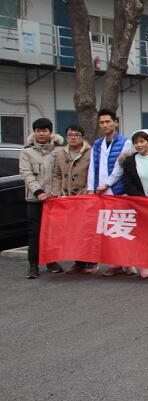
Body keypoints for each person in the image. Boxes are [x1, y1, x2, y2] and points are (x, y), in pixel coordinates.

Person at [19, 117, 64, 279]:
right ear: (34, 132)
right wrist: (38, 192)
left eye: (45, 130)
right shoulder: (27, 151)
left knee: (52, 232)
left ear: (50, 132)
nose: (41, 134)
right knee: (35, 232)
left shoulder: (59, 150)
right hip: (34, 199)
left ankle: (51, 261)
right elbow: (26, 173)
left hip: (54, 199)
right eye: (38, 131)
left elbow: (60, 173)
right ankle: (33, 265)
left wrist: (56, 193)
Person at [120, 129, 148, 279]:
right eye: (136, 142)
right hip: (139, 203)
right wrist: (142, 199)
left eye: (142, 141)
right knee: (142, 235)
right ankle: (144, 264)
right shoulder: (129, 161)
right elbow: (128, 184)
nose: (139, 145)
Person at [52, 124, 96, 275]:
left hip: (85, 197)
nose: (73, 137)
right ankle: (78, 262)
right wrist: (57, 192)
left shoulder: (91, 152)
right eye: (70, 135)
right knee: (73, 232)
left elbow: (94, 173)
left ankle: (91, 261)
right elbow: (57, 174)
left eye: (76, 135)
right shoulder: (60, 154)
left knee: (87, 230)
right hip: (66, 198)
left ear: (82, 137)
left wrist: (88, 191)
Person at [87, 108, 132, 197]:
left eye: (107, 122)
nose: (105, 125)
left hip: (117, 190)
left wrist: (107, 184)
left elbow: (120, 168)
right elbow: (92, 168)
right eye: (102, 122)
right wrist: (91, 189)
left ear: (115, 123)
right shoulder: (97, 144)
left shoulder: (125, 142)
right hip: (99, 190)